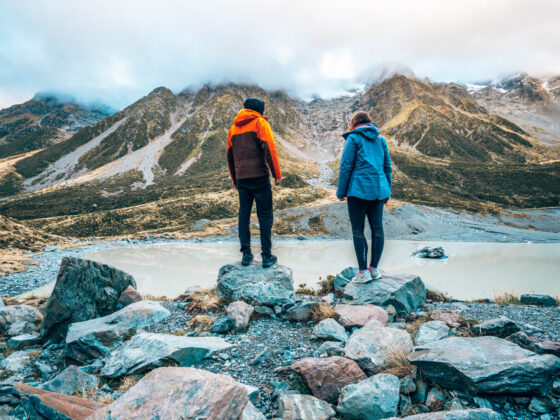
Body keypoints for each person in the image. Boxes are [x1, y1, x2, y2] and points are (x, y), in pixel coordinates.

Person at [336, 110, 392, 283]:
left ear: (354, 123)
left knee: (358, 230)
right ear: (369, 122)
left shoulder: (353, 138)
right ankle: (373, 269)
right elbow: (387, 167)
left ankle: (362, 272)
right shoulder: (380, 139)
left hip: (358, 190)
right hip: (379, 191)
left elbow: (346, 165)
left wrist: (341, 191)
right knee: (377, 229)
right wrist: (387, 190)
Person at [227, 98, 282, 268]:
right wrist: (276, 174)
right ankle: (266, 256)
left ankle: (246, 255)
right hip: (259, 176)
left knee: (244, 215)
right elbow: (269, 148)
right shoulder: (260, 123)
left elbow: (229, 156)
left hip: (242, 178)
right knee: (265, 216)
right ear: (259, 109)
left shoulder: (233, 129)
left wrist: (235, 180)